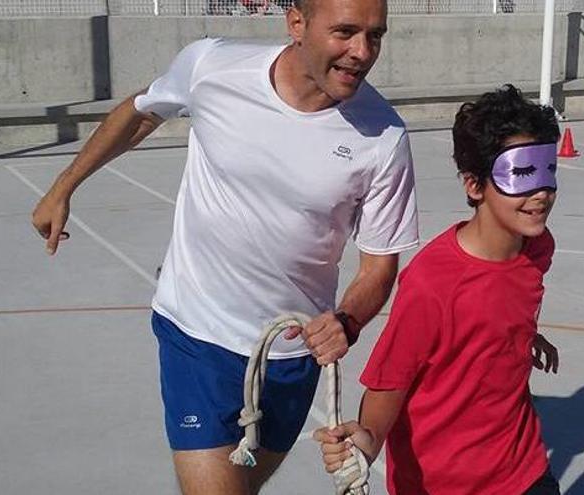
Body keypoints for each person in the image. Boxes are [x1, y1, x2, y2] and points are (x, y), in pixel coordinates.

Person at [30, 0, 417, 493]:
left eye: (375, 36)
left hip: (290, 355)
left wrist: (347, 321)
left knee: (242, 486)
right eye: (344, 32)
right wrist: (64, 186)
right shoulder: (213, 66)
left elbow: (378, 269)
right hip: (196, 333)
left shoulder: (382, 136)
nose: (362, 52)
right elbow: (141, 113)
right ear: (296, 23)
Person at [315, 84, 562, 494]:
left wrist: (523, 335)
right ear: (474, 185)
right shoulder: (433, 285)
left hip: (522, 469)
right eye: (521, 174)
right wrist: (368, 441)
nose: (541, 192)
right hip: (442, 482)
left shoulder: (537, 247)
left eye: (549, 172)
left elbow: (502, 301)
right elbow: (390, 381)